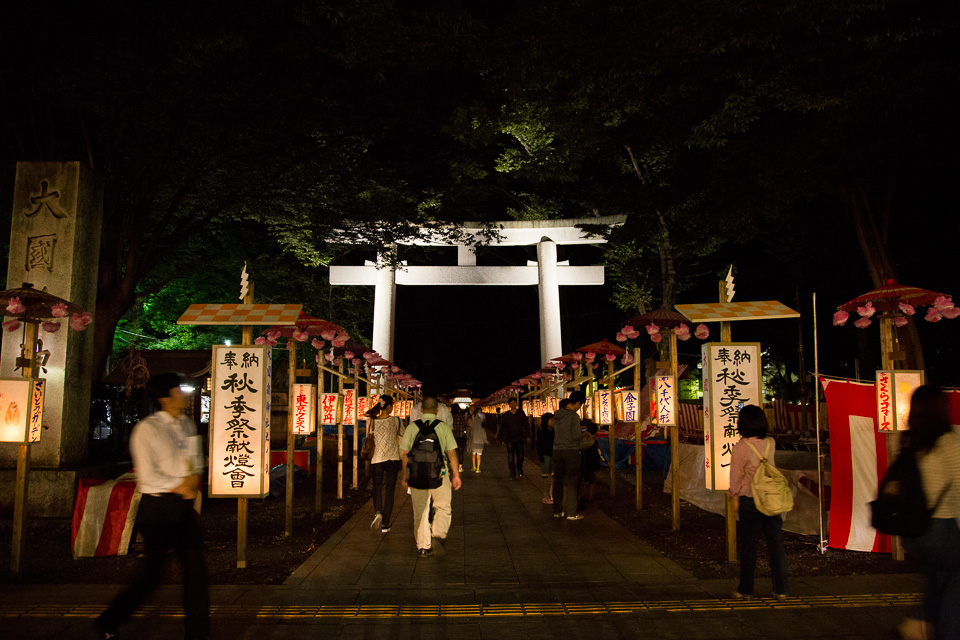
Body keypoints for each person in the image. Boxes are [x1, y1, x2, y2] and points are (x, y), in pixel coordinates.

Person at [97, 373, 209, 640]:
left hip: (182, 509)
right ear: (165, 397)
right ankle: (110, 620)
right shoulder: (147, 429)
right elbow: (147, 477)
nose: (185, 394)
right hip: (157, 509)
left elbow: (195, 460)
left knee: (196, 571)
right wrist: (178, 485)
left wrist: (193, 480)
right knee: (152, 575)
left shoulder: (186, 424)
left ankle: (198, 633)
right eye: (179, 390)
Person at [900, 385, 960, 640]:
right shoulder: (949, 442)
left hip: (915, 531)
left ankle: (918, 621)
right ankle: (926, 625)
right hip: (943, 528)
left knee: (937, 584)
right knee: (953, 590)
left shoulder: (907, 441)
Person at [728, 404, 788, 601]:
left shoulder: (741, 448)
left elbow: (736, 477)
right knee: (775, 546)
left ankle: (746, 590)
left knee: (749, 548)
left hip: (750, 501)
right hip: (770, 499)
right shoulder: (770, 443)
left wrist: (733, 495)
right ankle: (781, 589)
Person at [400, 396, 462, 556]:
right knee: (443, 506)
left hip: (417, 473)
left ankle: (423, 546)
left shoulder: (412, 428)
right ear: (437, 410)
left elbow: (405, 454)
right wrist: (456, 474)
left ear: (421, 410)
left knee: (420, 510)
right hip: (440, 471)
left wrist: (405, 476)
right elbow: (452, 453)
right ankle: (438, 533)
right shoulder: (443, 428)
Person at [366, 395, 402, 533]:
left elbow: (369, 436)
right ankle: (385, 524)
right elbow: (402, 437)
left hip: (376, 459)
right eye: (392, 404)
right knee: (390, 490)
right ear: (388, 406)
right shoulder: (396, 421)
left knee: (377, 487)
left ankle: (378, 512)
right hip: (392, 458)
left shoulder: (372, 421)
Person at [552, 391, 587, 521]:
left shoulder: (557, 414)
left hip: (557, 450)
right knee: (572, 482)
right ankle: (571, 513)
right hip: (571, 451)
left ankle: (557, 510)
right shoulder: (574, 416)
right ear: (577, 403)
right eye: (580, 405)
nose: (579, 407)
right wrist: (582, 433)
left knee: (558, 481)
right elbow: (576, 435)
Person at [497, 397, 529, 479]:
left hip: (520, 437)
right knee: (510, 457)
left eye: (514, 402)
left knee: (520, 456)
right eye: (511, 403)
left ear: (516, 404)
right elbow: (503, 426)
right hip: (510, 438)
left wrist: (528, 436)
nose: (513, 404)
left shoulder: (521, 413)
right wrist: (499, 437)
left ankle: (519, 468)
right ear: (509, 405)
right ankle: (512, 473)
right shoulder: (507, 414)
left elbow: (526, 425)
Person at [579, 419, 601, 511]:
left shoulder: (583, 440)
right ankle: (588, 499)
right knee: (590, 481)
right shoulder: (590, 441)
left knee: (586, 480)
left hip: (584, 462)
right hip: (588, 462)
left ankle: (583, 498)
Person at [537, 412, 555, 503]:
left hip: (552, 454)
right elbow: (539, 444)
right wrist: (541, 456)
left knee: (553, 475)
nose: (553, 422)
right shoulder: (542, 431)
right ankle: (544, 496)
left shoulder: (553, 430)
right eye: (551, 420)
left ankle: (552, 494)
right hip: (545, 455)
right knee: (544, 476)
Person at [467, 404, 487, 472]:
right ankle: (478, 468)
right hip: (480, 444)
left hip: (474, 443)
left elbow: (471, 436)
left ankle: (474, 466)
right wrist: (485, 441)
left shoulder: (473, 428)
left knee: (473, 455)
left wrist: (469, 443)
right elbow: (484, 436)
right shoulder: (482, 429)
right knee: (479, 456)